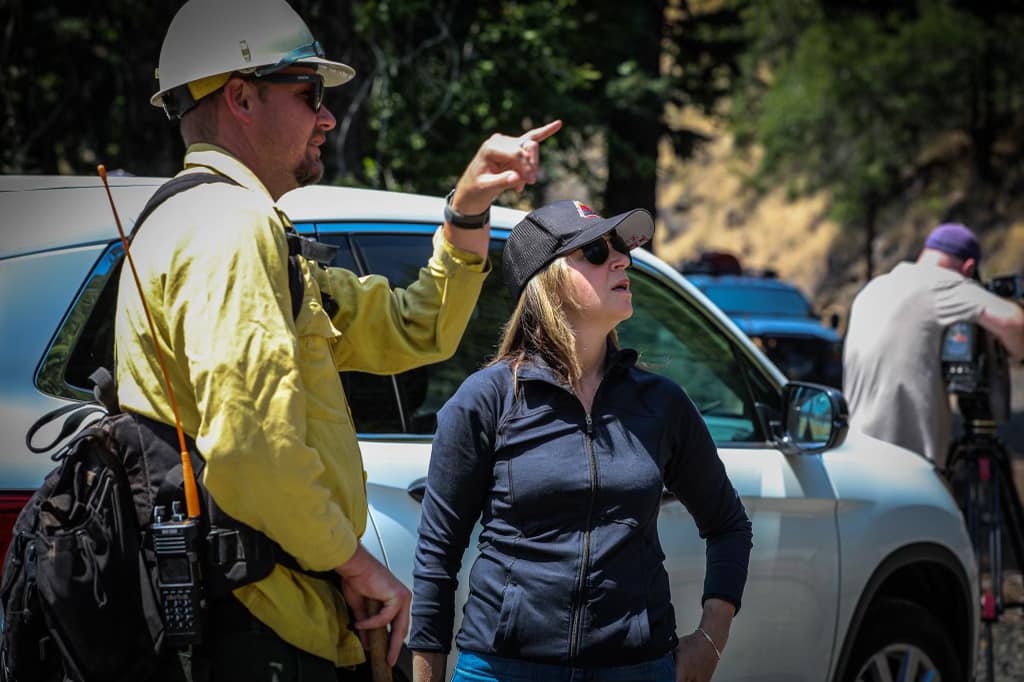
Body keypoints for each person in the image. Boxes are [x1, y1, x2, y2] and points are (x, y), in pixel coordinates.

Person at [116, 0, 560, 679]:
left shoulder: (221, 223)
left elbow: (419, 325)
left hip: (264, 605)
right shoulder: (230, 230)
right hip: (258, 620)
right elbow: (252, 446)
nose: (326, 117)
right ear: (240, 96)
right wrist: (356, 565)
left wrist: (467, 208)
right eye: (309, 93)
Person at [409, 201, 753, 682]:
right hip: (503, 670)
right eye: (595, 251)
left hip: (638, 668)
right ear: (544, 282)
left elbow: (728, 525)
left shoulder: (662, 403)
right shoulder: (485, 400)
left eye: (621, 250)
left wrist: (710, 642)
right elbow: (436, 560)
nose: (622, 260)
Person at [843, 222, 1024, 466]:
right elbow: (1014, 323)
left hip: (855, 449)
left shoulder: (872, 289)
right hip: (909, 463)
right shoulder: (945, 284)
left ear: (924, 254)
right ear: (968, 268)